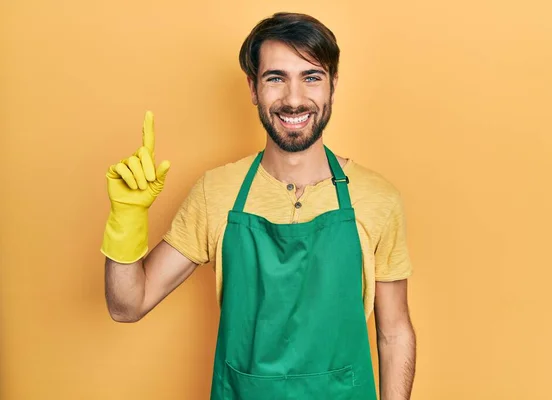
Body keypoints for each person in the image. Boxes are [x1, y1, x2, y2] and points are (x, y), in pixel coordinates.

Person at [101, 12, 416, 400]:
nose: (294, 99)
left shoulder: (377, 198)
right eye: (275, 78)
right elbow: (127, 305)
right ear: (253, 88)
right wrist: (127, 219)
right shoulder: (216, 192)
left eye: (311, 77)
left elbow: (394, 330)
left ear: (333, 85)